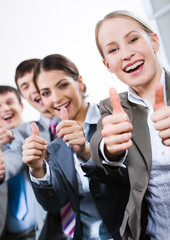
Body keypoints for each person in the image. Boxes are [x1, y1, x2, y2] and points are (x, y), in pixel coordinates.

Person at [22, 53, 130, 240]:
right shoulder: (55, 146)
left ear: (79, 83)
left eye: (63, 85)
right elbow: (55, 202)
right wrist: (37, 169)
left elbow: (133, 180)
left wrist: (86, 151)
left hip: (129, 231)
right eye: (46, 93)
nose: (56, 99)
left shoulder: (113, 119)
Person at [89, 9, 170, 240]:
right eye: (113, 49)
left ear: (154, 42)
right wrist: (109, 147)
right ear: (107, 64)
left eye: (133, 39)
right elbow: (99, 144)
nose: (126, 54)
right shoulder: (112, 107)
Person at [0, 59, 67, 240]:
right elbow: (14, 157)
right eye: (25, 86)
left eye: (36, 81)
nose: (34, 90)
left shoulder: (74, 117)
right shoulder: (23, 134)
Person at [0, 85, 35, 240]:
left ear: (21, 105)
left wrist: (13, 136)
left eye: (9, 102)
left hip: (47, 231)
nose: (5, 108)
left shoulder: (38, 131)